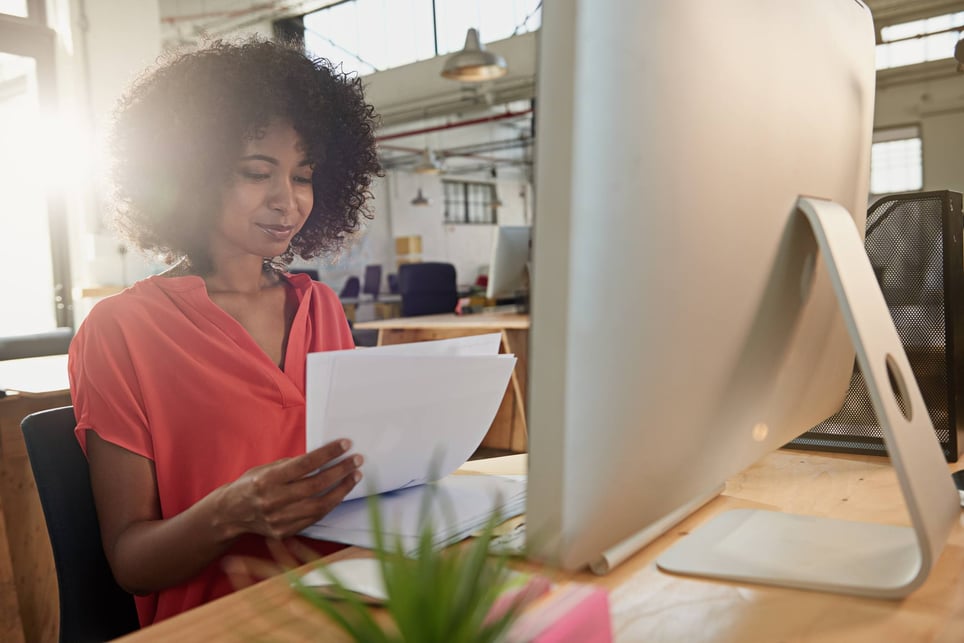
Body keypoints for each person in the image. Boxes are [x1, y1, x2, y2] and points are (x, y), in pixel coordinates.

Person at [67, 37, 381, 627]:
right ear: (191, 175)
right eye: (256, 172)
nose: (286, 201)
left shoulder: (321, 308)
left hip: (347, 599)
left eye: (304, 176)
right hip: (223, 621)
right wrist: (231, 512)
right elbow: (131, 563)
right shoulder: (122, 330)